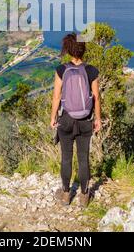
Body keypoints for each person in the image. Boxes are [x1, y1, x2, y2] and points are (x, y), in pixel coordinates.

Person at [50, 33, 101, 207]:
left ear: (68, 50)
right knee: (83, 157)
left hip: (66, 120)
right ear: (83, 49)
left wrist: (53, 118)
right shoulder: (91, 70)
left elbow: (56, 97)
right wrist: (98, 119)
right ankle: (85, 196)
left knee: (66, 157)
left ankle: (66, 195)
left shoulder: (61, 70)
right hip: (86, 119)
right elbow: (96, 98)